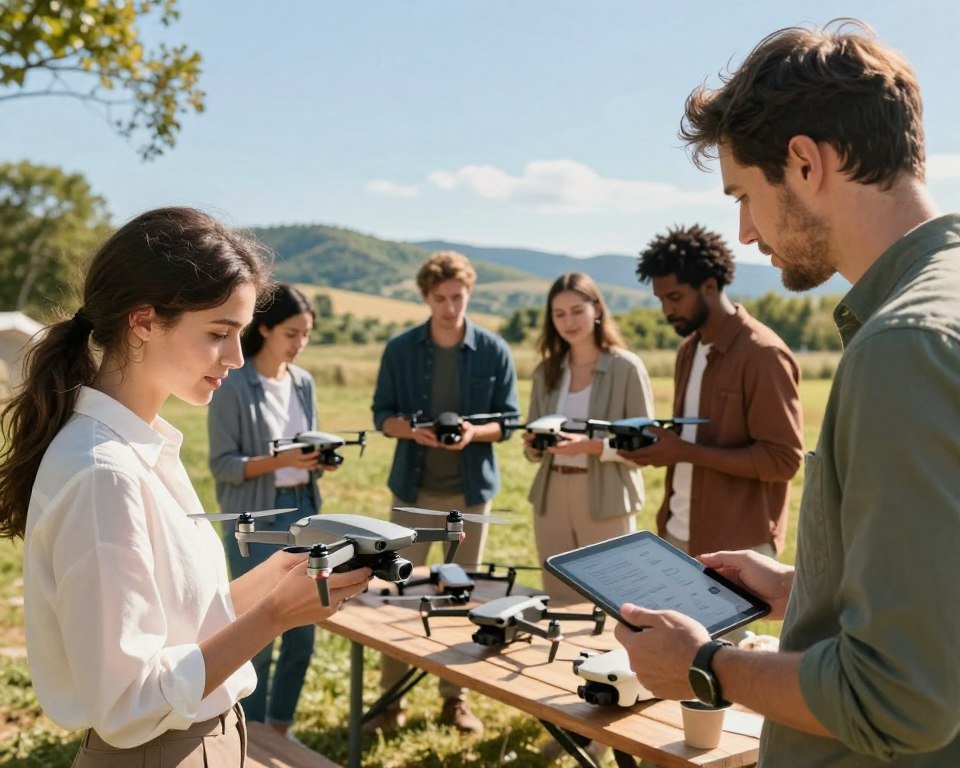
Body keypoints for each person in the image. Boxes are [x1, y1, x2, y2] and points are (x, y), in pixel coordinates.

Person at [614, 20, 960, 766]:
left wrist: (706, 666)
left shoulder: (903, 346)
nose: (742, 232)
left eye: (744, 193)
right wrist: (804, 590)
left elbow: (899, 697)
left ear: (804, 163)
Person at [0, 207, 370, 766]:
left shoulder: (144, 448)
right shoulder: (105, 472)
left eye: (241, 334)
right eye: (219, 333)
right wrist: (273, 618)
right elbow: (129, 703)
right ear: (144, 321)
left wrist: (267, 587)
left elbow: (175, 626)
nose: (237, 357)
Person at [370, 250, 519, 735]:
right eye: (441, 298)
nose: (450, 306)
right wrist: (412, 431)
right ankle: (389, 701)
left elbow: (509, 422)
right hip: (413, 491)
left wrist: (476, 433)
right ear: (426, 297)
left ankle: (455, 700)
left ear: (469, 293)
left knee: (461, 593)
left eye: (458, 297)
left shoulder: (495, 350)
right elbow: (382, 415)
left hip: (471, 495)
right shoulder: (401, 350)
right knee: (399, 592)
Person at [628, 224, 803, 560]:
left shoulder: (763, 355)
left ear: (710, 286)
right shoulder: (688, 352)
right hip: (676, 533)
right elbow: (690, 439)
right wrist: (658, 445)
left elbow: (784, 461)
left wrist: (683, 451)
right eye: (661, 299)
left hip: (739, 545)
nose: (666, 311)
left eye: (675, 297)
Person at [208, 283, 326, 736]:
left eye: (307, 335)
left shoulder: (304, 383)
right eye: (292, 334)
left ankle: (280, 727)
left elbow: (305, 446)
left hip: (305, 511)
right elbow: (223, 466)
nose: (300, 344)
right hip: (257, 519)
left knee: (305, 629)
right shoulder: (233, 384)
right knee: (257, 633)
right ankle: (248, 732)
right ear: (265, 329)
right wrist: (284, 460)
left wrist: (315, 460)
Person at [523, 272, 654, 604]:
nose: (569, 321)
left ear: (597, 309)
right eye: (559, 314)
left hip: (606, 496)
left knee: (614, 600)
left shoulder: (627, 368)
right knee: (559, 598)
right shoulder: (546, 371)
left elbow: (647, 443)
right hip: (551, 497)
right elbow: (531, 447)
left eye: (577, 310)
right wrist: (533, 446)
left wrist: (592, 447)